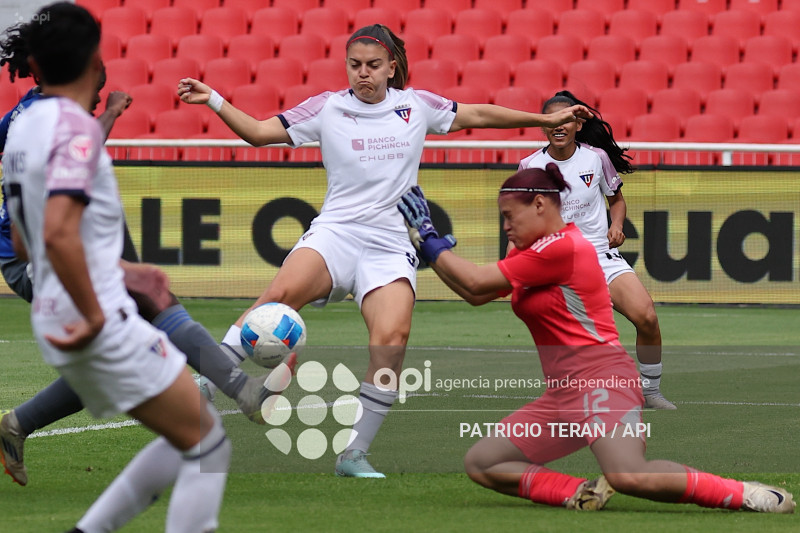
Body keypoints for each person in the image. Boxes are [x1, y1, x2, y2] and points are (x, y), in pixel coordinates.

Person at [177, 23, 593, 478]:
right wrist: (214, 99)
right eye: (355, 65)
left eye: (373, 65)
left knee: (391, 343)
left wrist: (544, 121)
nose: (363, 74)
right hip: (335, 233)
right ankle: (203, 386)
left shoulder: (416, 105)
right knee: (278, 295)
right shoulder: (328, 107)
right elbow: (258, 133)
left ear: (392, 67)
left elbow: (477, 115)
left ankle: (353, 454)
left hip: (390, 245)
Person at [397, 166, 795, 514]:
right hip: (564, 395)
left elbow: (474, 281)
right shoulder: (536, 252)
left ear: (539, 204)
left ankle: (745, 494)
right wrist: (426, 246)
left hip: (604, 384)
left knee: (629, 475)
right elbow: (476, 294)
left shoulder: (562, 248)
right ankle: (580, 492)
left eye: (508, 216)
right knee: (483, 462)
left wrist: (428, 235)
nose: (504, 226)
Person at [0, 19, 293, 488]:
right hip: (42, 262)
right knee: (154, 307)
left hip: (35, 257)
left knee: (114, 357)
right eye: (98, 60)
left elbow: (26, 220)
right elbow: (47, 224)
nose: (104, 71)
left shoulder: (24, 119)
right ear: (82, 63)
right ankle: (242, 390)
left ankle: (17, 424)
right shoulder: (58, 122)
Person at [518, 90, 675, 410]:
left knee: (646, 316)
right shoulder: (529, 166)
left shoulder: (596, 159)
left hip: (601, 257)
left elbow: (616, 200)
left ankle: (651, 392)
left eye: (566, 119)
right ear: (544, 125)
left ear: (577, 123)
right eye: (553, 121)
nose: (559, 126)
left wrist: (617, 226)